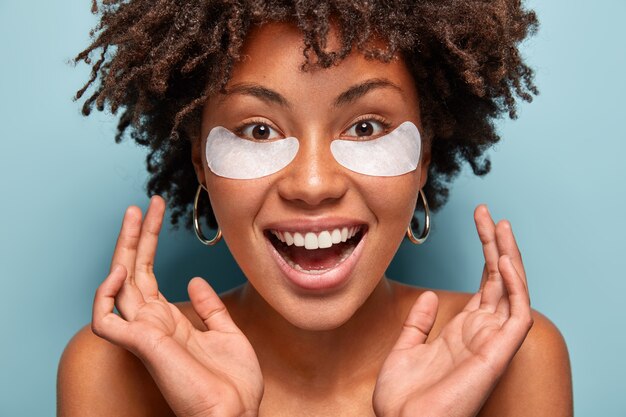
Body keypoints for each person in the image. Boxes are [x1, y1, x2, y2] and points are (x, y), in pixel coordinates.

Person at [57, 1, 573, 416]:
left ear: (424, 158)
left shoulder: (513, 353)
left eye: (366, 127)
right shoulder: (112, 366)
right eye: (258, 130)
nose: (312, 184)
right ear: (201, 165)